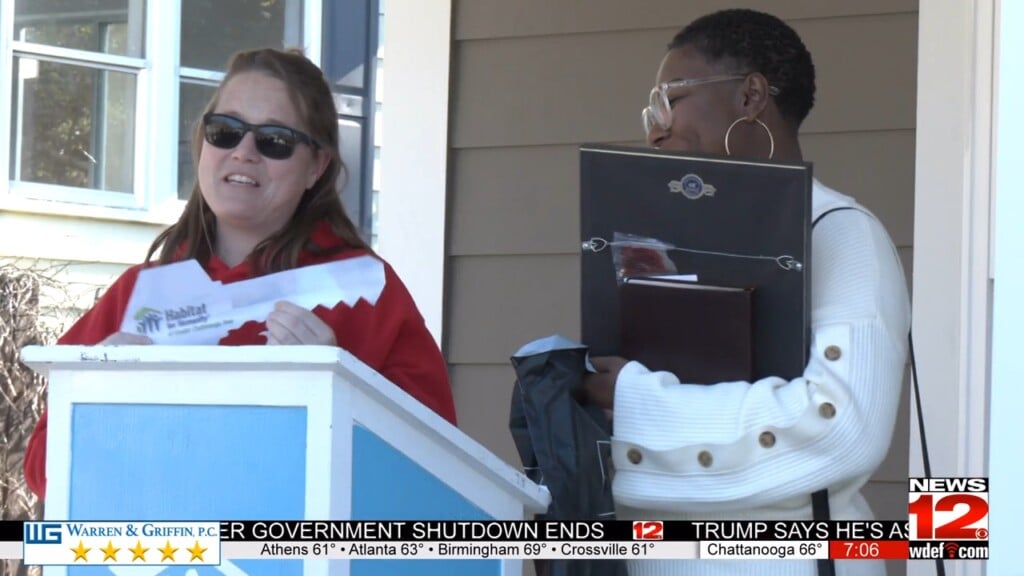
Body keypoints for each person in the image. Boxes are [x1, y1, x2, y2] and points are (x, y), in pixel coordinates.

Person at [24, 48, 456, 500]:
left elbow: (437, 485)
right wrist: (97, 399)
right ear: (203, 143)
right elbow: (44, 474)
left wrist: (341, 389)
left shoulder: (367, 291)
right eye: (225, 132)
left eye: (275, 140)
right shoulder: (139, 293)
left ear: (317, 166)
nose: (244, 152)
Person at [583, 9, 910, 576]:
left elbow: (842, 427)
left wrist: (635, 403)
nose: (655, 128)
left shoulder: (839, 232)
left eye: (671, 98)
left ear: (750, 96)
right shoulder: (659, 243)